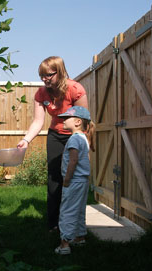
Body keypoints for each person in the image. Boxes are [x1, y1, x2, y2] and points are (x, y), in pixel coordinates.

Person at [17, 56, 88, 232]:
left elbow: (84, 120)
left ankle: (74, 224)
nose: (44, 79)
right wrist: (26, 140)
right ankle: (54, 223)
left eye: (48, 75)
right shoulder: (42, 93)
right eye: (41, 75)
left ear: (60, 71)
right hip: (55, 135)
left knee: (74, 177)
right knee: (54, 178)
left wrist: (84, 144)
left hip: (74, 136)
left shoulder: (75, 89)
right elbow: (38, 121)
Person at [53, 106, 95, 255]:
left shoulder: (74, 139)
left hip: (74, 181)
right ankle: (79, 237)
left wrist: (66, 180)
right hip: (82, 181)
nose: (63, 121)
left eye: (66, 118)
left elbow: (73, 161)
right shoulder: (83, 137)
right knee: (78, 210)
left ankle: (64, 244)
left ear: (77, 122)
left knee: (67, 211)